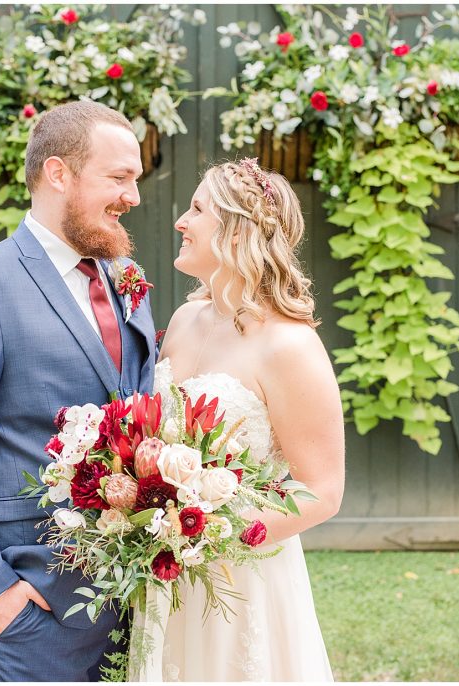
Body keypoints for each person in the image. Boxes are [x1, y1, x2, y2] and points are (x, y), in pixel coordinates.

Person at [0, 101, 157, 681]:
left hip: (129, 601)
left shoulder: (124, 280)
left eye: (136, 180)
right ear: (58, 173)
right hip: (29, 608)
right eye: (118, 178)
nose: (134, 198)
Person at [133, 159, 345, 681]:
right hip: (165, 571)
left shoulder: (289, 345)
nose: (181, 221)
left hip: (241, 577)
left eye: (197, 209)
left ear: (236, 231)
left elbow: (323, 489)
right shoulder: (184, 319)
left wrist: (213, 538)